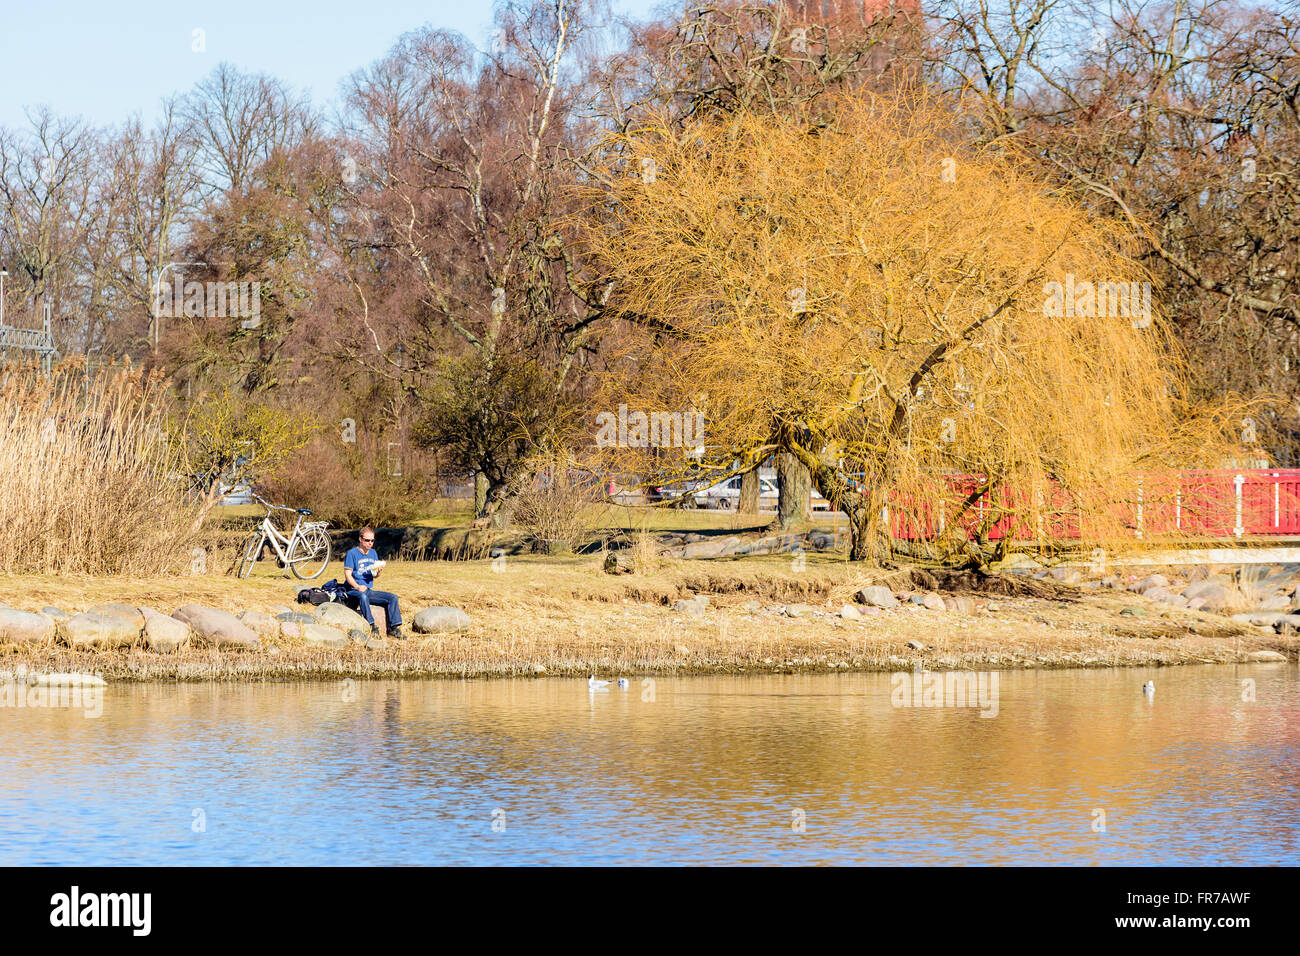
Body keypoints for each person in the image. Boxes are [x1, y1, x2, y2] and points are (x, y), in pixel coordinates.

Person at [343, 527, 404, 639]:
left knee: (392, 597)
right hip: (353, 591)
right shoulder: (352, 553)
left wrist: (378, 572)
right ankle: (372, 626)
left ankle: (393, 629)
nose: (370, 543)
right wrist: (357, 587)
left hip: (368, 590)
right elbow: (347, 575)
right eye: (367, 540)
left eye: (372, 540)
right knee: (363, 596)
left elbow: (374, 576)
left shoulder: (373, 553)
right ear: (360, 539)